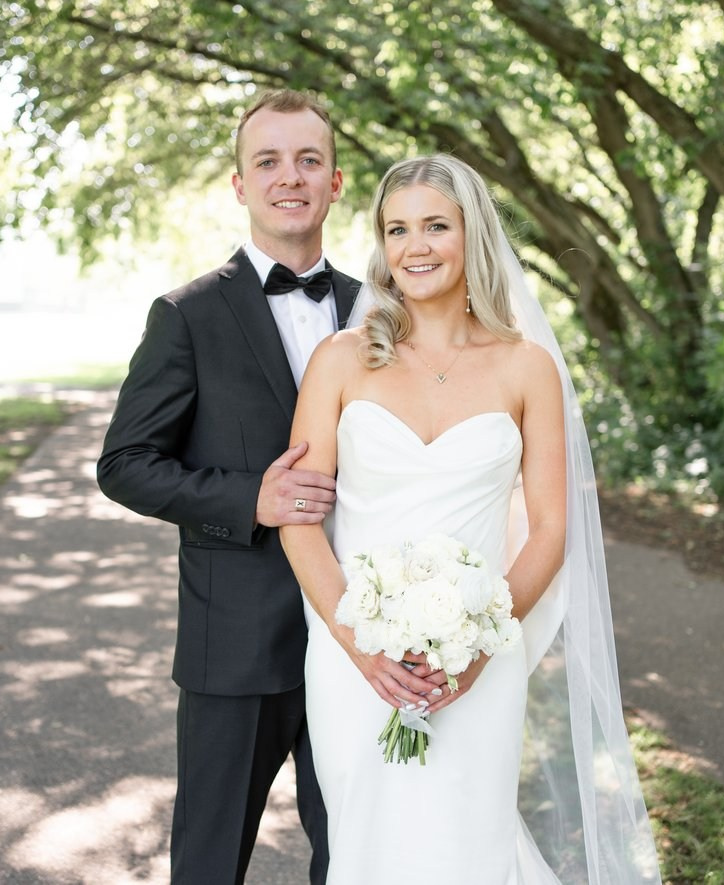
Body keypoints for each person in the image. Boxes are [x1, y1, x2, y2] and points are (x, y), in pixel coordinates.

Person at [280, 154, 662, 885]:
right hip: (354, 661)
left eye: (434, 225)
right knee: (366, 848)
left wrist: (480, 643)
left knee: (468, 848)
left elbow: (550, 528)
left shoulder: (527, 368)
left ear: (472, 234)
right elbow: (300, 520)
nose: (414, 246)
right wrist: (359, 644)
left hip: (480, 662)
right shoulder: (340, 360)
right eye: (397, 229)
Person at [96, 88, 361, 885]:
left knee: (360, 858)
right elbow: (125, 463)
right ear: (241, 185)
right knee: (208, 865)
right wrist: (253, 499)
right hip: (235, 646)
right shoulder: (186, 316)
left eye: (309, 160)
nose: (291, 176)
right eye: (269, 161)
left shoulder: (379, 310)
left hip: (358, 643)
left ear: (336, 182)